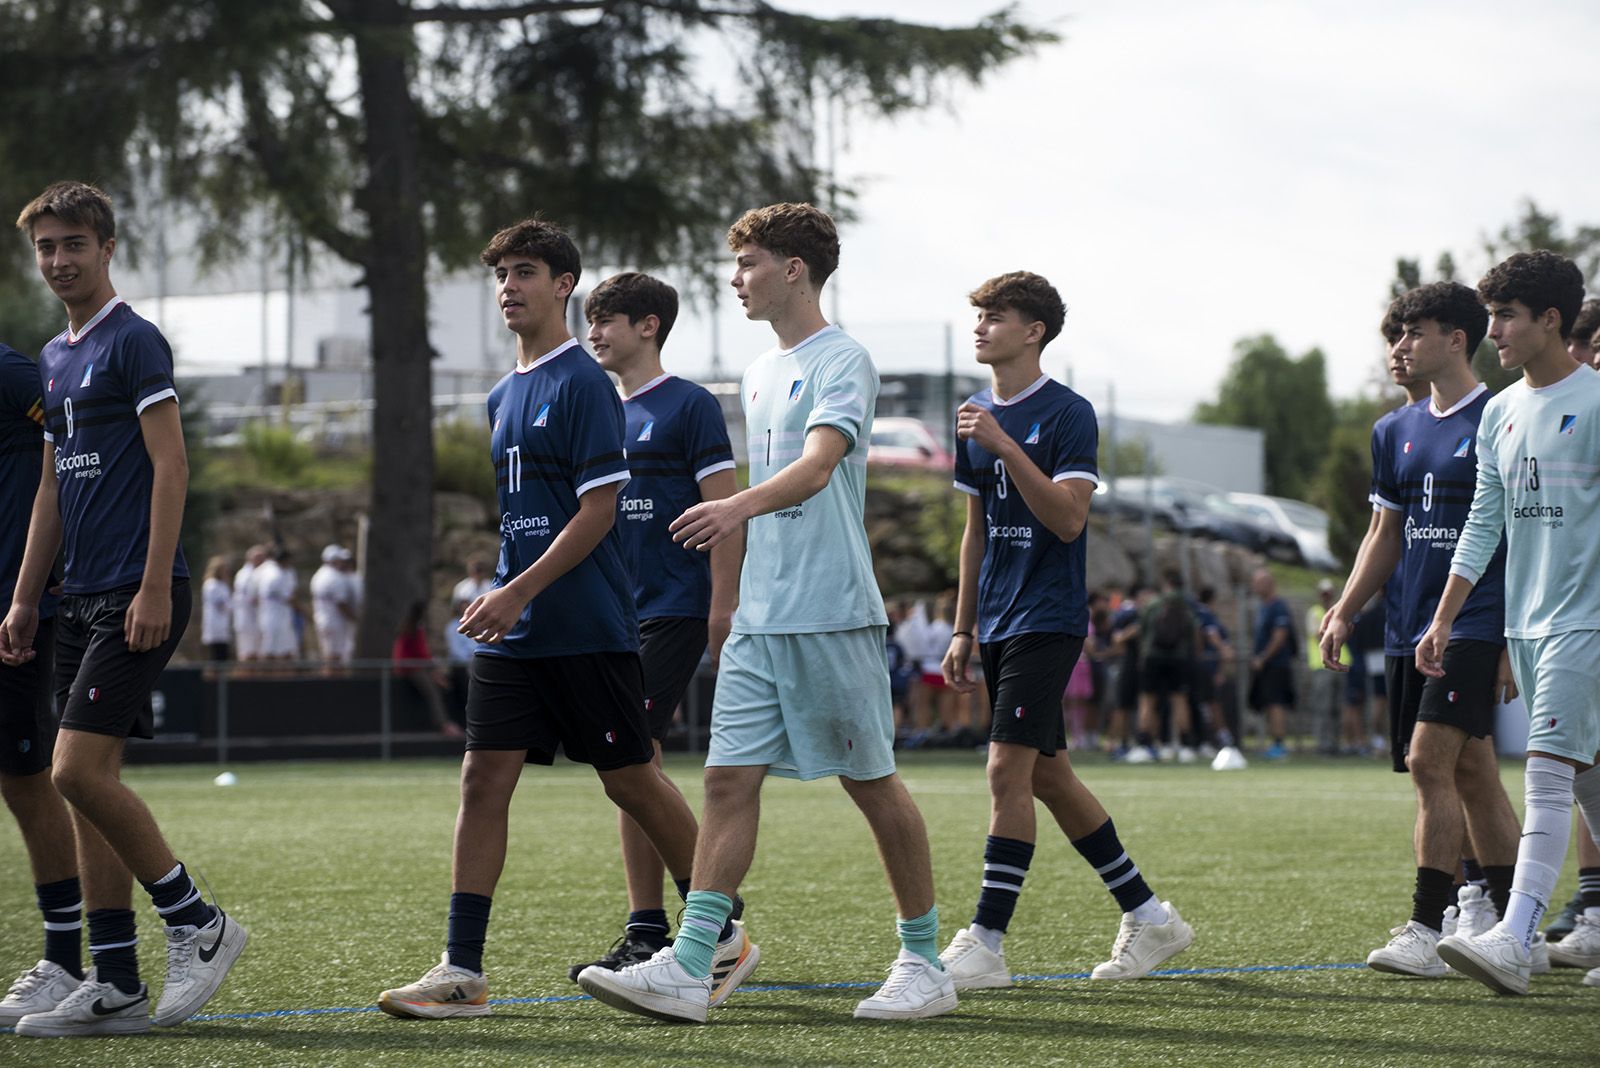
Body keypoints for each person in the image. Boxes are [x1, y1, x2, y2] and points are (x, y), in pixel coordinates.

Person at [579, 202, 955, 1022]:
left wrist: (732, 512)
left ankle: (925, 961)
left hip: (829, 610)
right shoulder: (755, 370)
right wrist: (736, 584)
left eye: (747, 264)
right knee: (723, 781)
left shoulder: (843, 358)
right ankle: (690, 962)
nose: (734, 279)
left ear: (793, 268)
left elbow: (820, 466)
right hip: (762, 615)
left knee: (871, 783)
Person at [378, 218, 718, 1019]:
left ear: (563, 284)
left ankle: (719, 927)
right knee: (481, 776)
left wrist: (518, 590)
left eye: (523, 271)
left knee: (632, 778)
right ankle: (461, 970)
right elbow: (523, 514)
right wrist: (504, 590)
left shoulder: (585, 384)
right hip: (517, 627)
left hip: (587, 626)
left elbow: (599, 511)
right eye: (500, 274)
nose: (508, 286)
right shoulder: (503, 392)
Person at [1, 181, 246, 1036]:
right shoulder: (53, 357)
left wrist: (151, 583)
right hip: (77, 599)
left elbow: (171, 467)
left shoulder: (134, 341)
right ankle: (115, 982)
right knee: (87, 787)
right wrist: (27, 597)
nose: (59, 260)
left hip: (138, 593)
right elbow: (49, 493)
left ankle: (196, 923)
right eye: (46, 248)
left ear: (107, 249)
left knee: (72, 772)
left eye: (74, 244)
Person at [934, 270, 1193, 993]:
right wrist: (962, 628)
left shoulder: (1068, 413)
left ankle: (985, 942)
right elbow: (975, 531)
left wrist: (1006, 446)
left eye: (996, 316)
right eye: (978, 315)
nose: (981, 326)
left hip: (1049, 616)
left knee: (1004, 771)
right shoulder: (973, 415)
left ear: (1034, 330)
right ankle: (1150, 916)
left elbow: (1069, 518)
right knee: (1047, 774)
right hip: (998, 621)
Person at [1320, 280, 1524, 981]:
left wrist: (1507, 640)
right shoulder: (1392, 430)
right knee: (1470, 770)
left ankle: (1425, 926)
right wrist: (1346, 609)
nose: (1400, 346)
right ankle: (1509, 919)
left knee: (1428, 764)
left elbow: (1522, 538)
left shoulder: (1501, 416)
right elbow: (1385, 531)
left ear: (1455, 340)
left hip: (1476, 622)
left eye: (1413, 332)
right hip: (1412, 628)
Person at [1414, 251, 1600, 994]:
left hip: (1584, 620)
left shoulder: (1596, 401)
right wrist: (1446, 617)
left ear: (1550, 320)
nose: (1493, 332)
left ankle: (1515, 937)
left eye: (1506, 317)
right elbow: (1484, 522)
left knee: (1548, 775)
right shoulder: (1499, 411)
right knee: (1588, 782)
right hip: (1524, 622)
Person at [569, 270, 750, 981]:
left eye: (607, 318)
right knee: (628, 768)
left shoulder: (689, 405)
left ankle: (708, 924)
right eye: (591, 319)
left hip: (674, 607)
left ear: (648, 325)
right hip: (615, 614)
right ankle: (653, 927)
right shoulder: (599, 409)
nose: (594, 332)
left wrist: (722, 604)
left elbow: (725, 509)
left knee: (631, 762)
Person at [0, 340, 84, 1027]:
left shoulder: (13, 373)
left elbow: (83, 460)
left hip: (18, 614)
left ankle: (67, 959)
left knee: (28, 778)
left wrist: (65, 560)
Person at [1128, 569, 1199, 764]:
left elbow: (1143, 631)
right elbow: (1195, 631)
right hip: (1179, 657)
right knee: (1179, 700)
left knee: (1147, 701)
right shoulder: (1187, 604)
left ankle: (1143, 745)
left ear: (1166, 583)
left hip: (1153, 657)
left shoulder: (1154, 603)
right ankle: (1185, 746)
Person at [391, 600, 464, 739]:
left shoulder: (411, 627)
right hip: (411, 668)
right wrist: (435, 672)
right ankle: (444, 724)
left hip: (415, 666)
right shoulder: (414, 629)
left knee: (443, 685)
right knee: (433, 692)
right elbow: (422, 654)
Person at [1248, 569, 1296, 759]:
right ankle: (1274, 743)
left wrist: (1263, 658)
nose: (1255, 587)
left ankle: (1279, 745)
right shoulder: (1264, 607)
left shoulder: (1278, 606)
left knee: (1276, 703)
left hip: (1276, 665)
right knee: (1268, 704)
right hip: (1267, 666)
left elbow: (1280, 636)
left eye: (1258, 583)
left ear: (1269, 584)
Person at [309, 545, 358, 664]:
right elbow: (341, 604)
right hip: (334, 621)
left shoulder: (319, 574)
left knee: (329, 655)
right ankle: (334, 682)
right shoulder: (335, 577)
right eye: (339, 559)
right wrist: (354, 618)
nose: (342, 562)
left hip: (323, 619)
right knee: (336, 657)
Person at [254, 547, 298, 662]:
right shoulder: (276, 575)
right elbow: (289, 598)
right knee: (270, 651)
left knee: (285, 651)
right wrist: (306, 613)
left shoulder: (269, 571)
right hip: (274, 619)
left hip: (277, 617)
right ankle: (269, 678)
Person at [231, 544, 267, 663]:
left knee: (254, 650)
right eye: (260, 557)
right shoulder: (246, 575)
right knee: (248, 651)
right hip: (247, 619)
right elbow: (251, 598)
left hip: (251, 618)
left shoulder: (253, 573)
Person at [199, 555, 232, 662]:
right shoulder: (211, 585)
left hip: (222, 623)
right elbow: (221, 604)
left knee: (223, 654)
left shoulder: (223, 585)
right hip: (214, 623)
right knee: (215, 654)